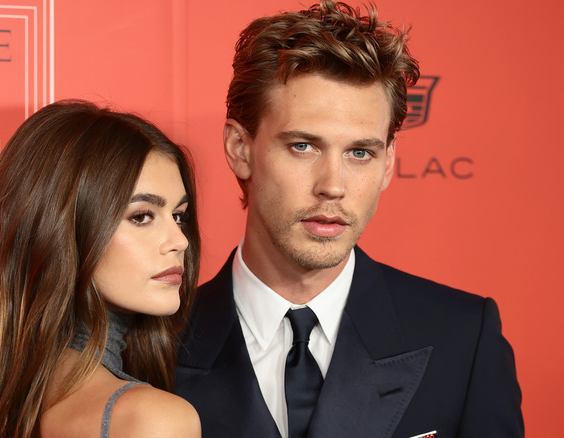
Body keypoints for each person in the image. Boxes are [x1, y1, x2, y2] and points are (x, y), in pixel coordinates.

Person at [174, 1, 523, 437]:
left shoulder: (463, 337)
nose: (333, 186)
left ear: (388, 163)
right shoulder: (155, 344)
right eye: (303, 146)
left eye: (360, 153)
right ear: (240, 148)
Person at [0, 100, 202, 437]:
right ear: (65, 231)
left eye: (178, 216)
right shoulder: (153, 421)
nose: (179, 240)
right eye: (141, 216)